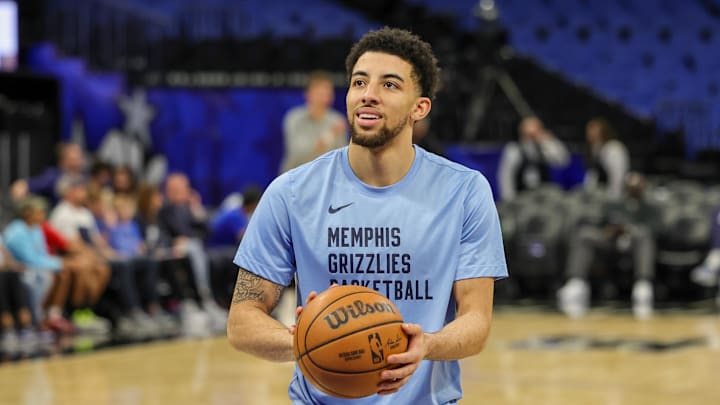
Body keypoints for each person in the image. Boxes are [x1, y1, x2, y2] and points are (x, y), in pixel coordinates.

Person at [227, 27, 508, 404]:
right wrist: (308, 341)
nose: (369, 94)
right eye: (359, 82)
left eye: (389, 85)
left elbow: (476, 322)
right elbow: (242, 320)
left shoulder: (464, 192)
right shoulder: (290, 193)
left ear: (419, 108)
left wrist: (428, 345)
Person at [557, 172, 659, 320]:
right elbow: (602, 222)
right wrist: (610, 229)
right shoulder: (614, 205)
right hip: (611, 242)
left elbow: (656, 229)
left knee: (644, 237)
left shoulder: (650, 208)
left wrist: (629, 229)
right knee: (585, 234)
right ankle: (576, 282)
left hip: (633, 243)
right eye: (631, 186)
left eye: (637, 186)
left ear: (643, 188)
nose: (634, 189)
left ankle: (643, 284)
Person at [279, 70, 348, 173]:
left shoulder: (337, 120)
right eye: (320, 93)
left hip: (325, 179)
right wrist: (328, 137)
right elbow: (298, 153)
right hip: (295, 177)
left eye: (327, 92)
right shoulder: (294, 118)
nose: (324, 97)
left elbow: (341, 157)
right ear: (308, 94)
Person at [497, 116, 569, 202]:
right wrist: (509, 199)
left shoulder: (545, 148)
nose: (530, 139)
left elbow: (563, 160)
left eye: (534, 134)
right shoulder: (514, 149)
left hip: (543, 196)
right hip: (521, 197)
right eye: (527, 135)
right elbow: (505, 176)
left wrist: (548, 141)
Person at [9, 142, 87, 203]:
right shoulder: (53, 175)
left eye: (80, 156)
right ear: (63, 160)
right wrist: (21, 186)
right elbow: (26, 185)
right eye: (74, 159)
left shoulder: (85, 176)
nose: (79, 160)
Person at [583, 117, 630, 200]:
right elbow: (592, 175)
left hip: (614, 196)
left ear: (603, 131)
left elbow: (617, 176)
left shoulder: (613, 148)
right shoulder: (595, 149)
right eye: (588, 129)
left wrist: (614, 198)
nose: (589, 132)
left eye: (593, 129)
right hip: (600, 196)